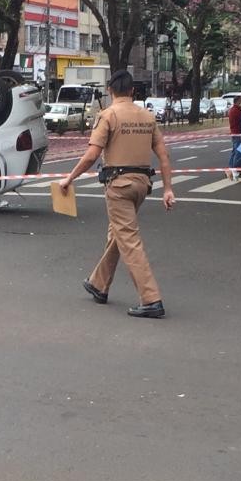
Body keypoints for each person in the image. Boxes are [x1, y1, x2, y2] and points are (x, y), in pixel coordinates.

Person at [58, 70, 175, 319]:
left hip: (118, 186)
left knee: (128, 240)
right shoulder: (148, 116)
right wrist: (167, 188)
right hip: (142, 185)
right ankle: (99, 284)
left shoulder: (108, 115)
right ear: (132, 91)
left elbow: (91, 155)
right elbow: (163, 155)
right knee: (118, 234)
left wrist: (69, 178)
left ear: (110, 90)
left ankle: (151, 299)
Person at [226, 96, 241, 180]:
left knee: (235, 152)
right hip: (237, 134)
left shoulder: (234, 110)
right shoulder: (236, 111)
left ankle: (230, 169)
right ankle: (235, 169)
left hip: (235, 133)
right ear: (238, 102)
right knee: (239, 153)